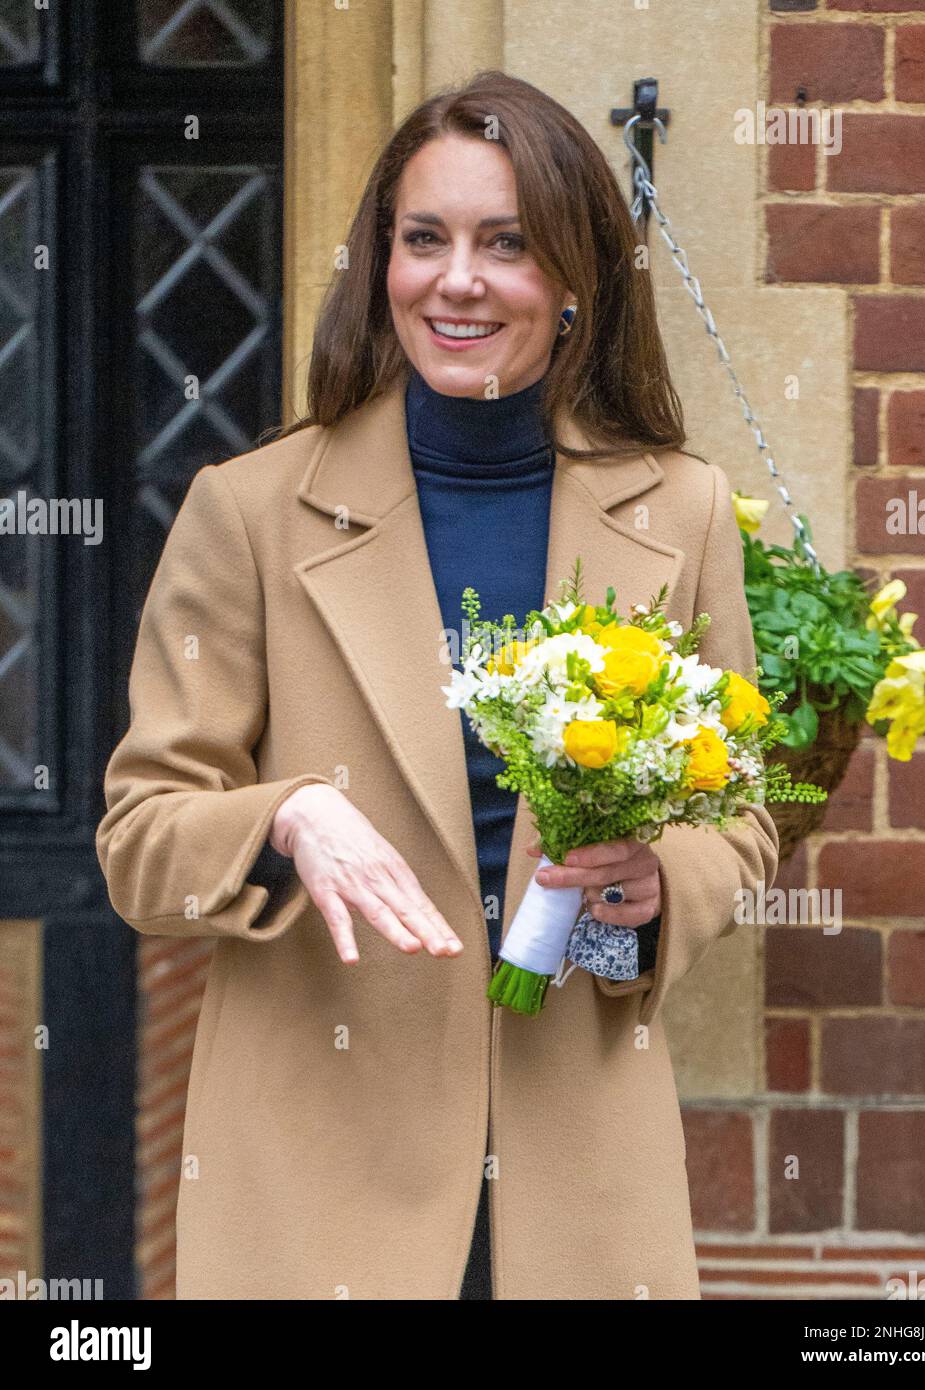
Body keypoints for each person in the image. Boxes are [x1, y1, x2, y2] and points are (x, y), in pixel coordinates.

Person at [96, 69, 779, 1300]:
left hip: (578, 1173)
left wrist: (653, 883)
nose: (455, 279)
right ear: (383, 263)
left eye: (506, 244)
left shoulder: (679, 510)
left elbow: (740, 818)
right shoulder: (247, 513)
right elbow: (142, 838)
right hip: (313, 1172)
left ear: (572, 283)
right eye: (424, 239)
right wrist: (284, 816)